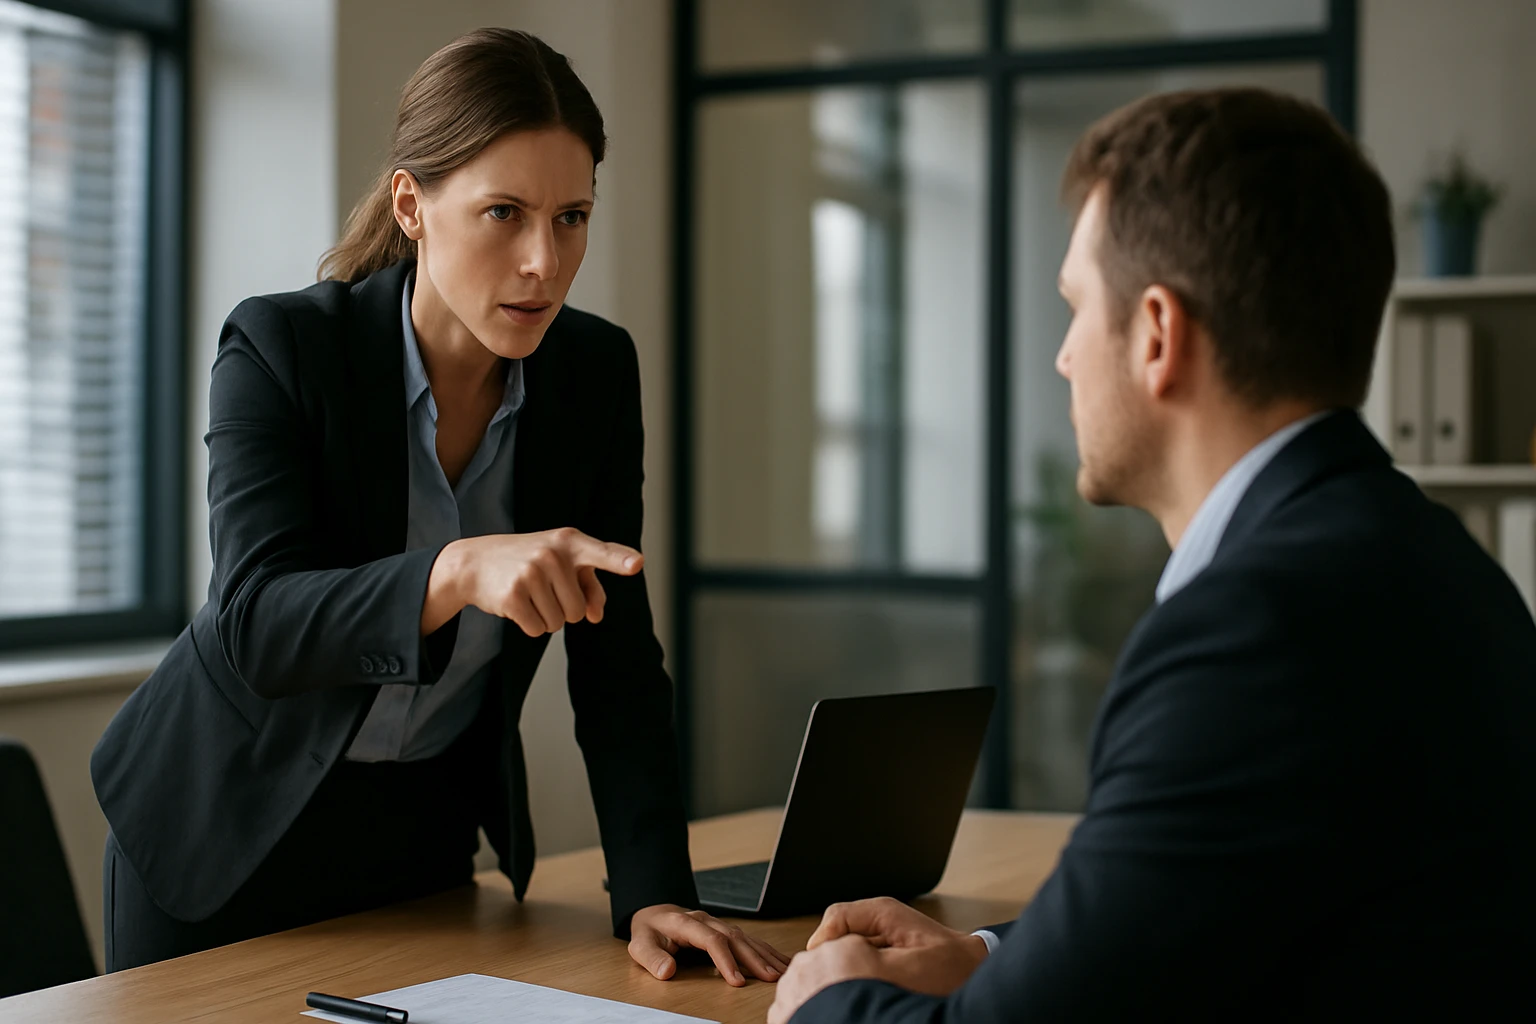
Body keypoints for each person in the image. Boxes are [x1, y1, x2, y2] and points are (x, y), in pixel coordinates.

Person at [770, 87, 1536, 1023]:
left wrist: (824, 1000)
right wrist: (986, 957)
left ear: (1159, 337)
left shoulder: (1254, 632)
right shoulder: (1441, 565)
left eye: (1077, 308)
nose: (1061, 357)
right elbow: (1231, 920)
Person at [91, 28, 785, 985]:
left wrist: (654, 890)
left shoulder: (592, 374)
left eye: (573, 217)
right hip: (220, 829)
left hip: (418, 833)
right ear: (412, 206)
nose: (545, 259)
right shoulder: (282, 347)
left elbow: (618, 664)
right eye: (504, 212)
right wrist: (455, 571)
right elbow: (256, 620)